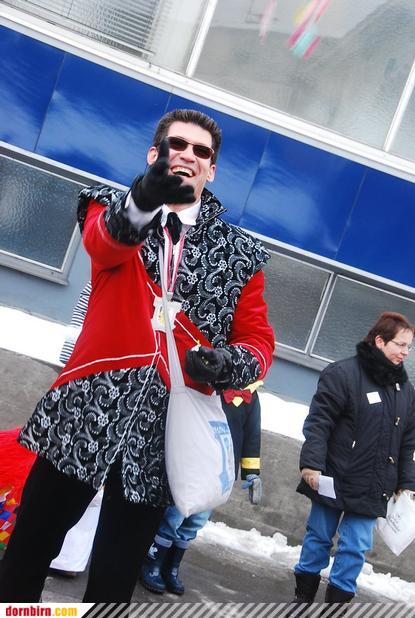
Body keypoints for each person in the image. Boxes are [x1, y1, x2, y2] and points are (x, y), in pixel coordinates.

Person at [0, 108, 274, 602]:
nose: (187, 155)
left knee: (113, 582)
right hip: (86, 408)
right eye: (176, 144)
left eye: (201, 151)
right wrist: (144, 198)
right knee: (27, 553)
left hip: (164, 435)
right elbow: (105, 246)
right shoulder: (111, 207)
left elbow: (259, 341)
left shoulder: (240, 253)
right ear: (154, 154)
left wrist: (226, 363)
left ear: (212, 170)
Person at [290, 311, 415, 616]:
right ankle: (303, 597)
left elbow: (408, 442)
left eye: (409, 347)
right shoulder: (343, 374)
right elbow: (319, 422)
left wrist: (407, 483)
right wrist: (311, 464)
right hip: (334, 477)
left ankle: (335, 607)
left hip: (374, 484)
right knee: (319, 537)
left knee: (355, 546)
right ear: (380, 341)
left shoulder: (405, 390)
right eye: (400, 345)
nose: (405, 353)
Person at [140, 383, 263, 595]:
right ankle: (152, 562)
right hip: (195, 462)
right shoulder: (207, 381)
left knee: (195, 521)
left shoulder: (250, 394)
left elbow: (252, 435)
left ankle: (171, 567)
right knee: (175, 515)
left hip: (220, 470)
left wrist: (252, 473)